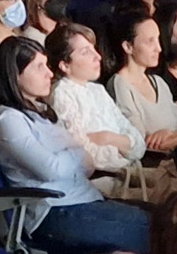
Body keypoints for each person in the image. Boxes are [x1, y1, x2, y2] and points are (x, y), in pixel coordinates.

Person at [0, 37, 154, 254]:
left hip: (84, 200)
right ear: (15, 75)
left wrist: (70, 155)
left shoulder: (42, 112)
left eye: (47, 65)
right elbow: (52, 170)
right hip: (54, 212)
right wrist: (75, 152)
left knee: (166, 218)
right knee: (157, 231)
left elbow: (87, 165)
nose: (49, 73)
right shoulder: (8, 120)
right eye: (39, 67)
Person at [46, 19, 148, 190]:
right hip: (99, 183)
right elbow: (85, 155)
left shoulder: (97, 90)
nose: (98, 56)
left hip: (127, 175)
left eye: (94, 48)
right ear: (65, 65)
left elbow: (138, 143)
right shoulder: (61, 94)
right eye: (86, 52)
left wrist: (109, 138)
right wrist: (123, 149)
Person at [105, 8, 177, 156]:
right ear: (128, 47)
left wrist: (172, 135)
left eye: (158, 39)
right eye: (150, 41)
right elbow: (139, 141)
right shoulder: (120, 85)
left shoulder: (159, 83)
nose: (158, 48)